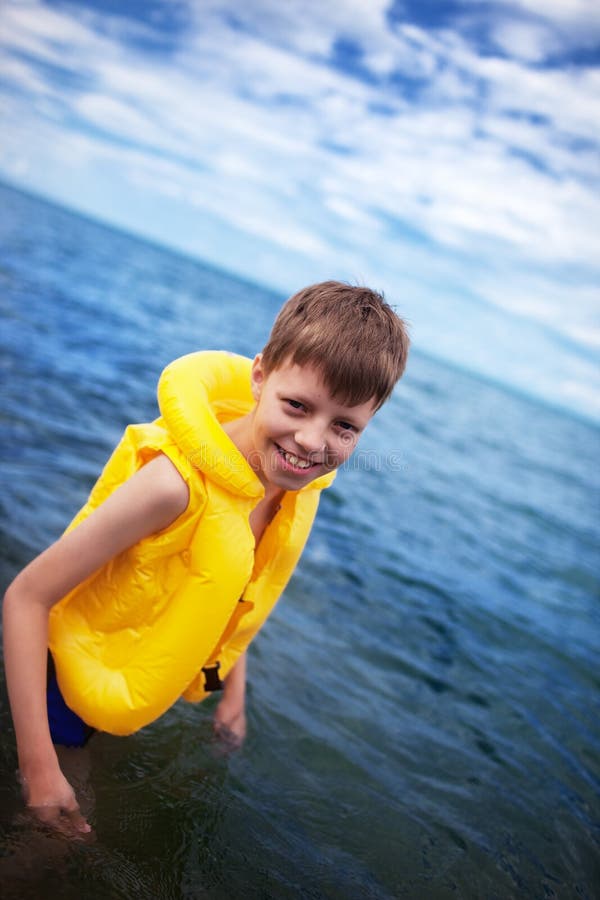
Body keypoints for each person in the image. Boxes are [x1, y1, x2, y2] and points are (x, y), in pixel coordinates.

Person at [2, 280, 410, 835]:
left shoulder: (287, 488)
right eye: (297, 406)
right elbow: (26, 596)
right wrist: (39, 767)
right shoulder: (173, 485)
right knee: (57, 844)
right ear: (259, 376)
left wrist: (232, 695)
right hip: (62, 675)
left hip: (128, 669)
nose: (314, 442)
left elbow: (233, 582)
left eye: (345, 426)